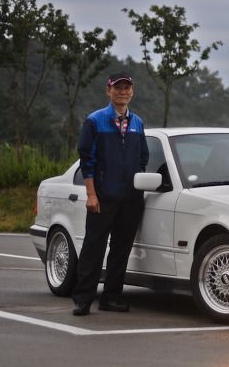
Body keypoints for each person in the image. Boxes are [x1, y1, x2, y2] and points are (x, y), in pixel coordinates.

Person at [72, 71, 149, 316]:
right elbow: (87, 160)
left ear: (132, 92)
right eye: (118, 88)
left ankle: (111, 298)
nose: (123, 92)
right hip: (103, 197)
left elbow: (143, 158)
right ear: (109, 91)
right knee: (93, 248)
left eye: (127, 87)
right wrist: (91, 194)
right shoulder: (95, 121)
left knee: (120, 250)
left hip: (130, 199)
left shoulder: (137, 123)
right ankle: (83, 299)